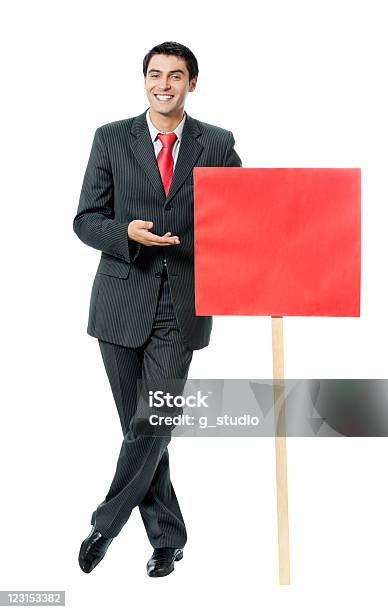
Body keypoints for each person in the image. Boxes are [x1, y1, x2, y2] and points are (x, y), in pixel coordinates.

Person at [73, 41, 242, 577]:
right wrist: (124, 231)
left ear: (193, 82)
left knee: (154, 419)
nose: (163, 84)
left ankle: (106, 523)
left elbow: (245, 213)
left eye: (175, 75)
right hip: (122, 298)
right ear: (144, 80)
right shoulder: (111, 138)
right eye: (154, 74)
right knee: (140, 428)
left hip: (183, 301)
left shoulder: (216, 143)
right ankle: (168, 538)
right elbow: (85, 219)